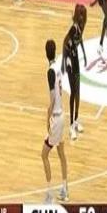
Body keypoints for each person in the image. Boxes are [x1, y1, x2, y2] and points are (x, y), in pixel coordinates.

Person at [41, 39, 69, 204]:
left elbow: (52, 97)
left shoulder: (50, 72)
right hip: (62, 115)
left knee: (44, 154)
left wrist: (48, 116)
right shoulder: (58, 67)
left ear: (46, 53)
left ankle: (49, 194)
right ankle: (64, 189)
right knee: (61, 154)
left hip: (56, 118)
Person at [62, 5, 88, 141]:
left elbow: (80, 40)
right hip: (71, 63)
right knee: (73, 93)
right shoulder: (73, 28)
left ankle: (76, 120)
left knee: (78, 93)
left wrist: (84, 54)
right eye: (81, 15)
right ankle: (71, 126)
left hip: (76, 60)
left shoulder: (80, 29)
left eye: (84, 15)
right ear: (78, 16)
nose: (82, 17)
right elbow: (65, 42)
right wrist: (65, 62)